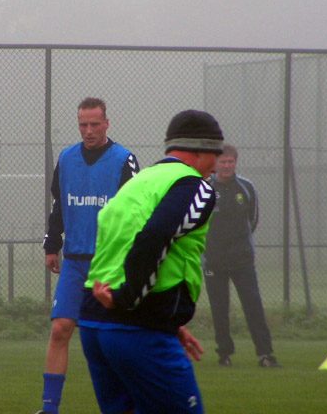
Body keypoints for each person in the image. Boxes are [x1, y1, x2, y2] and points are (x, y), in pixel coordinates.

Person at [78, 109, 224, 414]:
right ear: (201, 149)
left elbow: (122, 243)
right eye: (216, 153)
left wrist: (165, 321)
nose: (216, 164)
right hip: (134, 325)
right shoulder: (194, 185)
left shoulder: (141, 181)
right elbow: (155, 236)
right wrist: (128, 299)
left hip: (94, 322)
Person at [36, 98, 140, 414]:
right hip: (75, 261)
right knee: (60, 329)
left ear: (107, 123)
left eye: (95, 124)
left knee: (113, 340)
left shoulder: (125, 160)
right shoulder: (67, 158)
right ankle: (50, 408)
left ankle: (131, 402)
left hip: (109, 262)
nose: (89, 130)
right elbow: (59, 204)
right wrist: (52, 244)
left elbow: (136, 213)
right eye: (83, 125)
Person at [202, 143, 282, 368]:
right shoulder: (205, 188)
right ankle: (224, 355)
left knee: (253, 305)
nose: (226, 166)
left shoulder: (246, 187)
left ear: (235, 163)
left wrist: (238, 244)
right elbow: (197, 222)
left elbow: (253, 220)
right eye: (222, 162)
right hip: (213, 261)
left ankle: (265, 354)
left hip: (242, 260)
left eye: (230, 162)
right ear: (215, 163)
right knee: (220, 309)